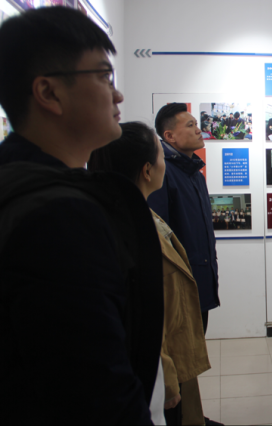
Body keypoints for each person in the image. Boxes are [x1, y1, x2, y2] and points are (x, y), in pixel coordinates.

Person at [0, 7, 165, 424]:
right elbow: (96, 388)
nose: (118, 95)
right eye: (104, 76)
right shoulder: (58, 216)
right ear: (49, 92)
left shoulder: (22, 185)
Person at [89, 122, 212, 426]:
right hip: (155, 366)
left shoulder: (138, 217)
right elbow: (146, 311)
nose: (165, 163)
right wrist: (166, 373)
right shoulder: (134, 233)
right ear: (147, 170)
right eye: (160, 154)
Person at [148, 103, 221, 342]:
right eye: (190, 125)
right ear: (169, 136)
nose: (199, 130)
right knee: (182, 353)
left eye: (197, 124)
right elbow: (159, 237)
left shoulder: (195, 174)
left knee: (194, 350)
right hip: (178, 285)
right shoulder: (163, 172)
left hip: (199, 280)